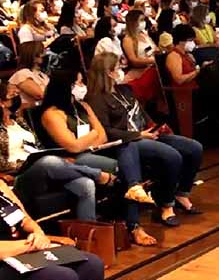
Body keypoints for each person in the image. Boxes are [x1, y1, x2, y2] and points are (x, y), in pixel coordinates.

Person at [39, 70, 158, 246]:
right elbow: (72, 146)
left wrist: (88, 138)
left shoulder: (83, 106)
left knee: (128, 148)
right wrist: (92, 135)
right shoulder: (52, 114)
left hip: (95, 151)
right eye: (78, 84)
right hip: (71, 159)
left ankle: (131, 197)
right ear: (66, 87)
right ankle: (133, 226)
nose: (82, 87)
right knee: (124, 169)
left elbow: (102, 136)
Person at [86, 53, 204, 228]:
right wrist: (139, 135)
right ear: (109, 72)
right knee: (172, 156)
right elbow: (106, 131)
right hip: (128, 141)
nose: (121, 70)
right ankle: (166, 205)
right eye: (118, 68)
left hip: (146, 133)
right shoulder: (96, 98)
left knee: (194, 147)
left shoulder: (124, 90)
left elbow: (140, 112)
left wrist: (155, 127)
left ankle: (182, 193)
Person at [0, 81, 112, 223]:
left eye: (17, 94)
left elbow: (37, 147)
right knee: (48, 161)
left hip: (39, 165)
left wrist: (58, 161)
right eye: (12, 95)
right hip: (18, 175)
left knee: (86, 184)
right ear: (2, 102)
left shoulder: (19, 121)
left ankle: (89, 230)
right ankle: (97, 174)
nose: (17, 98)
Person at [0, 179, 105, 280]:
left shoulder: (1, 185)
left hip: (27, 250)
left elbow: (25, 219)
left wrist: (38, 233)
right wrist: (33, 245)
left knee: (92, 264)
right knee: (62, 276)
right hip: (6, 260)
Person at [8, 42, 49, 109]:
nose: (46, 55)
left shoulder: (41, 74)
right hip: (32, 114)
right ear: (34, 56)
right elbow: (41, 95)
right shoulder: (22, 74)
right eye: (43, 52)